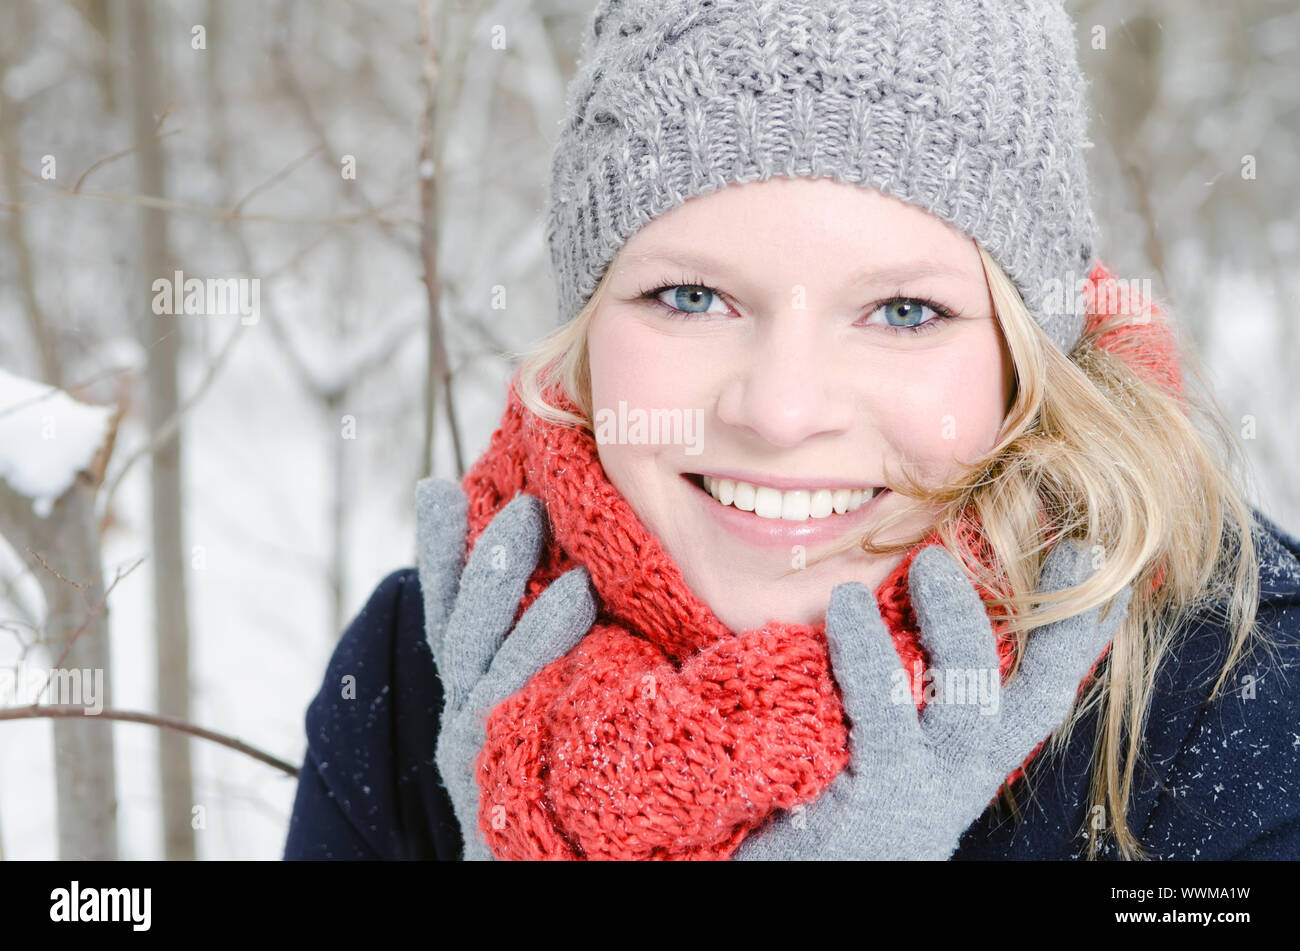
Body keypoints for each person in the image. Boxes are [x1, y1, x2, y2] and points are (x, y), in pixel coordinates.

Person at [283, 0, 1300, 861]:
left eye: (903, 312)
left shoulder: (1233, 693)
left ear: (1023, 362)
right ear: (586, 333)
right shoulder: (422, 678)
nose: (780, 411)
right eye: (690, 296)